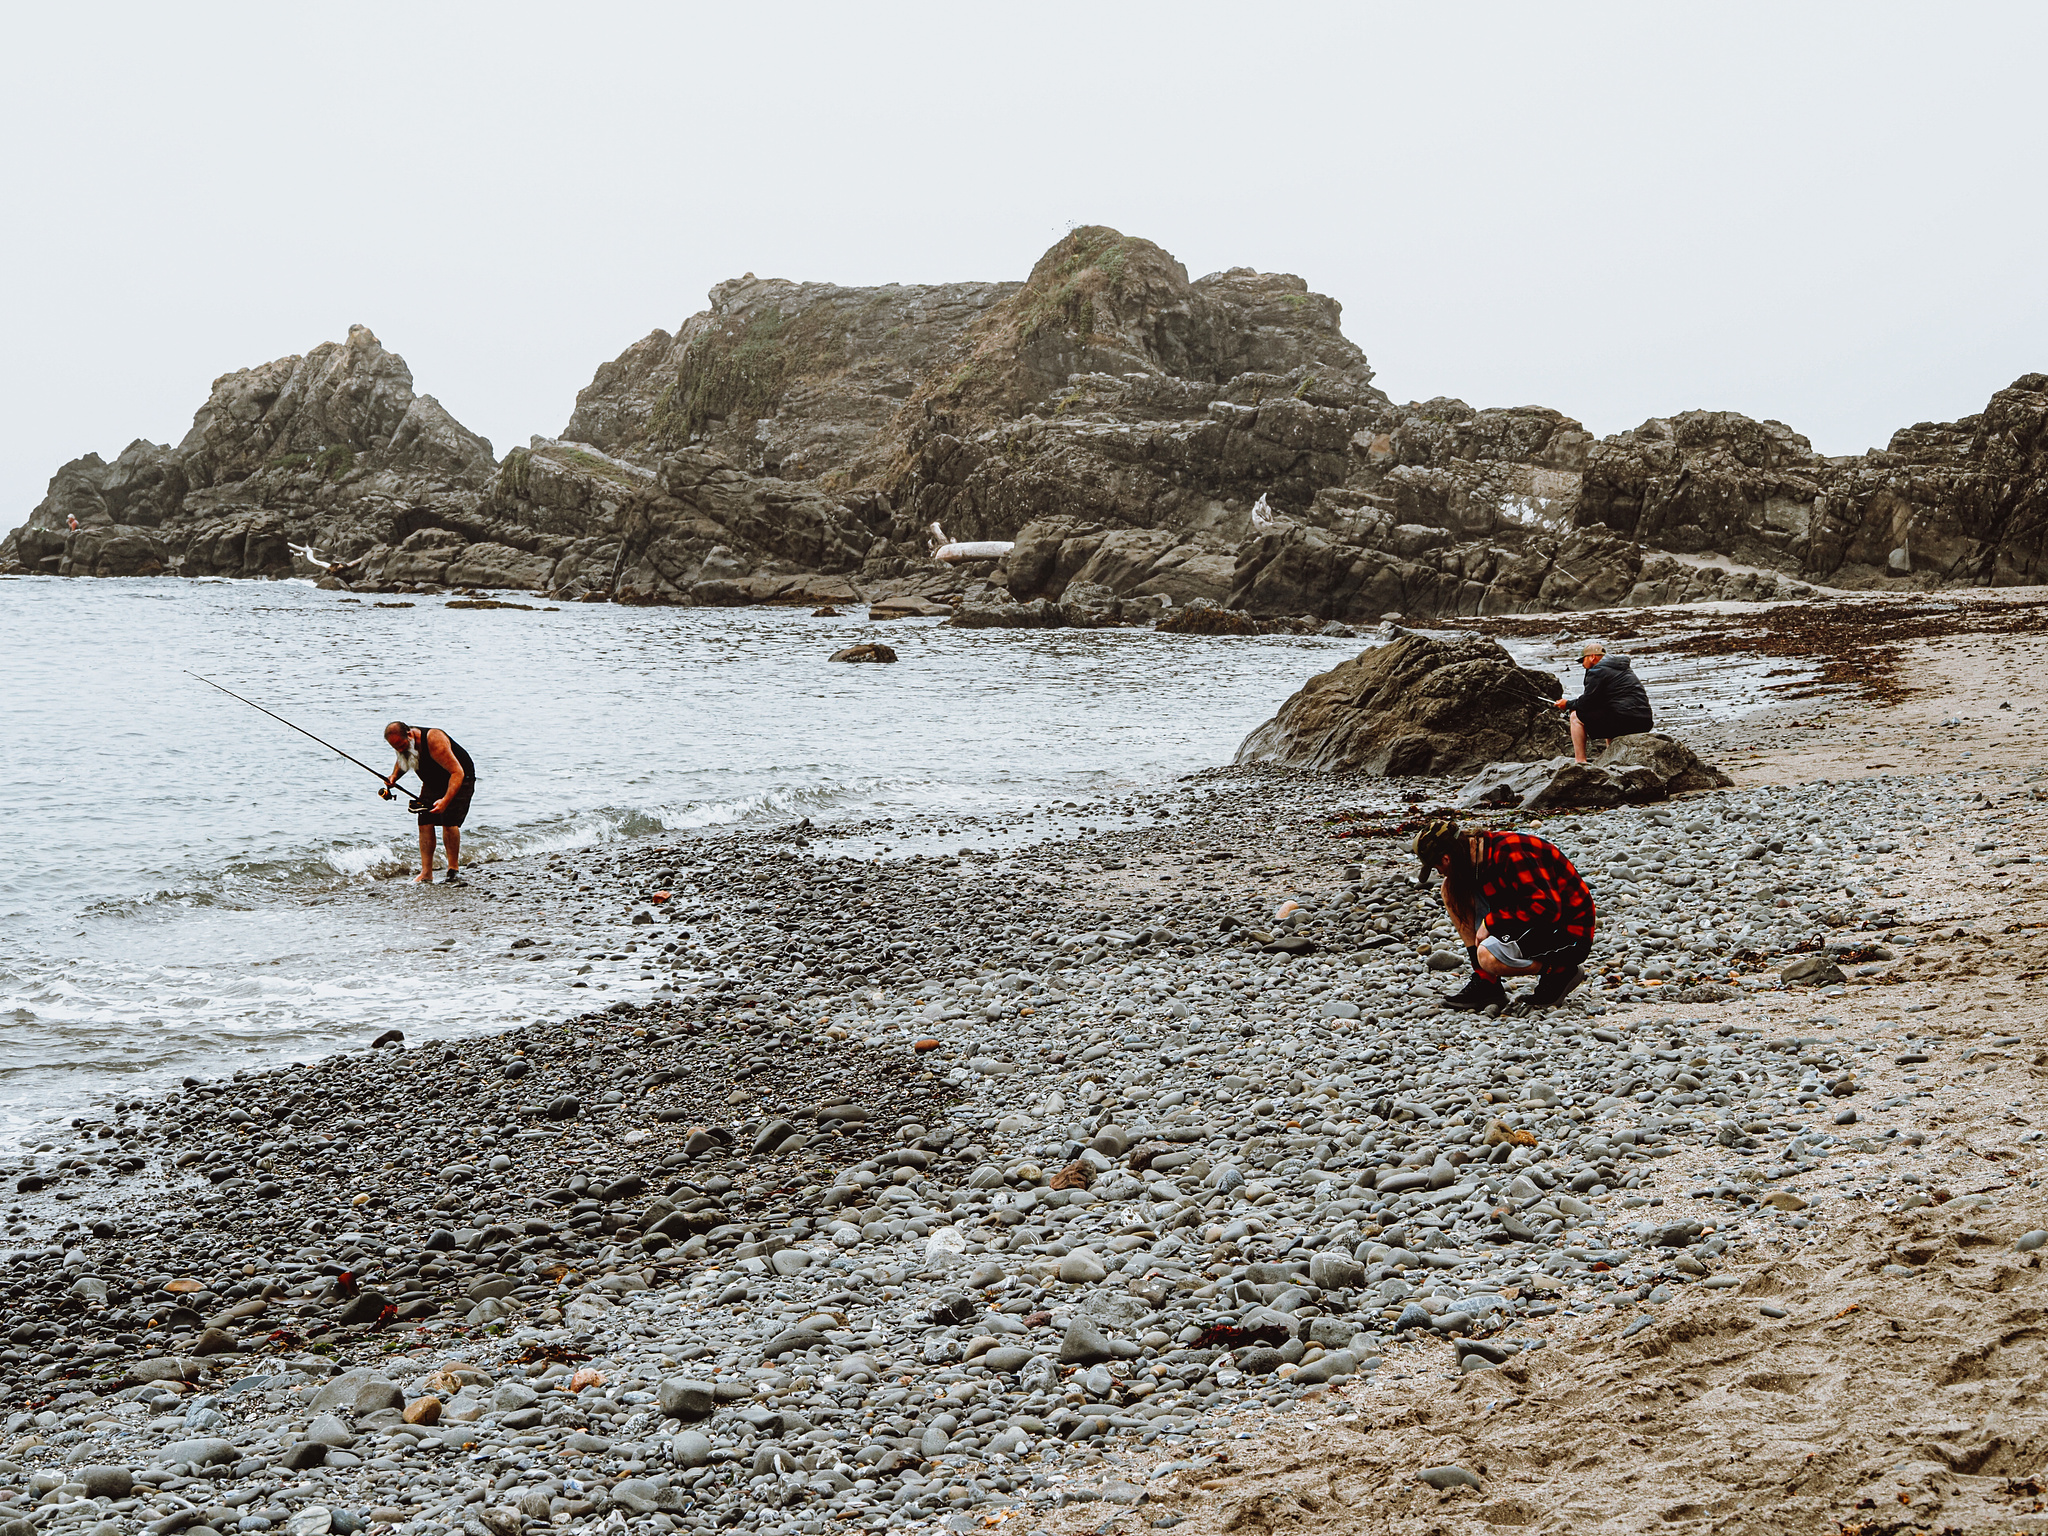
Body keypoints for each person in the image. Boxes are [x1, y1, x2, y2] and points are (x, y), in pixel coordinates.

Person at [1413, 818, 1593, 1012]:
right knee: (1451, 889)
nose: (1439, 873)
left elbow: (1546, 907)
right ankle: (1486, 982)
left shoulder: (1512, 853)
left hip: (1568, 932)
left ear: (1446, 859)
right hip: (1535, 921)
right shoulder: (1478, 854)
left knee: (1489, 956)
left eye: (1436, 867)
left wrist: (1490, 922)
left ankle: (1560, 972)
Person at [381, 721, 476, 884]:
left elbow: (457, 772)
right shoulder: (404, 745)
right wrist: (393, 777)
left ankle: (453, 870)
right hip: (433, 781)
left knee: (449, 821)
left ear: (409, 735)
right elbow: (403, 759)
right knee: (424, 821)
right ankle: (426, 873)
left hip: (459, 778)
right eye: (395, 747)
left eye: (401, 745)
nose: (400, 749)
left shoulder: (434, 739)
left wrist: (445, 800)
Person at [1554, 640, 1653, 763]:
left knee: (1575, 715)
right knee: (1608, 712)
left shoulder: (1598, 671)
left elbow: (1587, 702)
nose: (1582, 664)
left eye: (1582, 660)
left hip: (1625, 720)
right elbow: (1599, 701)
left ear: (1592, 657)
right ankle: (1611, 757)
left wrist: (1567, 704)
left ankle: (1580, 761)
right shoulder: (1623, 669)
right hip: (1644, 721)